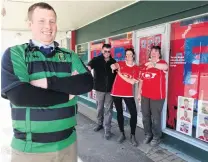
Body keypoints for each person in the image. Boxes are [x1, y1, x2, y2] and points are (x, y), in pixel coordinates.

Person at [1, 2, 93, 162]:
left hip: (68, 145)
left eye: (52, 21)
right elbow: (21, 96)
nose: (48, 26)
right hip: (30, 150)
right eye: (41, 21)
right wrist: (67, 94)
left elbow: (86, 82)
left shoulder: (70, 55)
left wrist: (47, 83)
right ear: (30, 24)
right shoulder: (15, 54)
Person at [138, 46, 168, 147]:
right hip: (145, 95)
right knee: (145, 116)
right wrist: (138, 93)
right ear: (150, 54)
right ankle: (148, 134)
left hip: (157, 96)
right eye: (152, 51)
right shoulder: (145, 65)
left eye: (156, 51)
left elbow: (165, 68)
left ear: (159, 54)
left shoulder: (162, 63)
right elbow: (141, 80)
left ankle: (156, 137)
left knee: (155, 118)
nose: (154, 53)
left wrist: (153, 64)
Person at [111, 48, 140, 146]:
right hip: (116, 92)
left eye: (130, 54)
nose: (128, 56)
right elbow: (114, 65)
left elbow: (132, 82)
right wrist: (113, 66)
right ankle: (122, 133)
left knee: (134, 114)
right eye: (126, 55)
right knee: (119, 112)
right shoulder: (121, 63)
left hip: (128, 93)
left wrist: (119, 74)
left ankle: (133, 135)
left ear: (133, 55)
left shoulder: (136, 68)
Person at [87, 44, 116, 139]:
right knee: (100, 108)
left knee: (108, 110)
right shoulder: (96, 60)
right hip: (99, 89)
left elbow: (117, 74)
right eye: (105, 51)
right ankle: (99, 124)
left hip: (110, 90)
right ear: (102, 50)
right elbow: (89, 67)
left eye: (108, 51)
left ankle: (107, 129)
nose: (107, 53)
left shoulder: (113, 61)